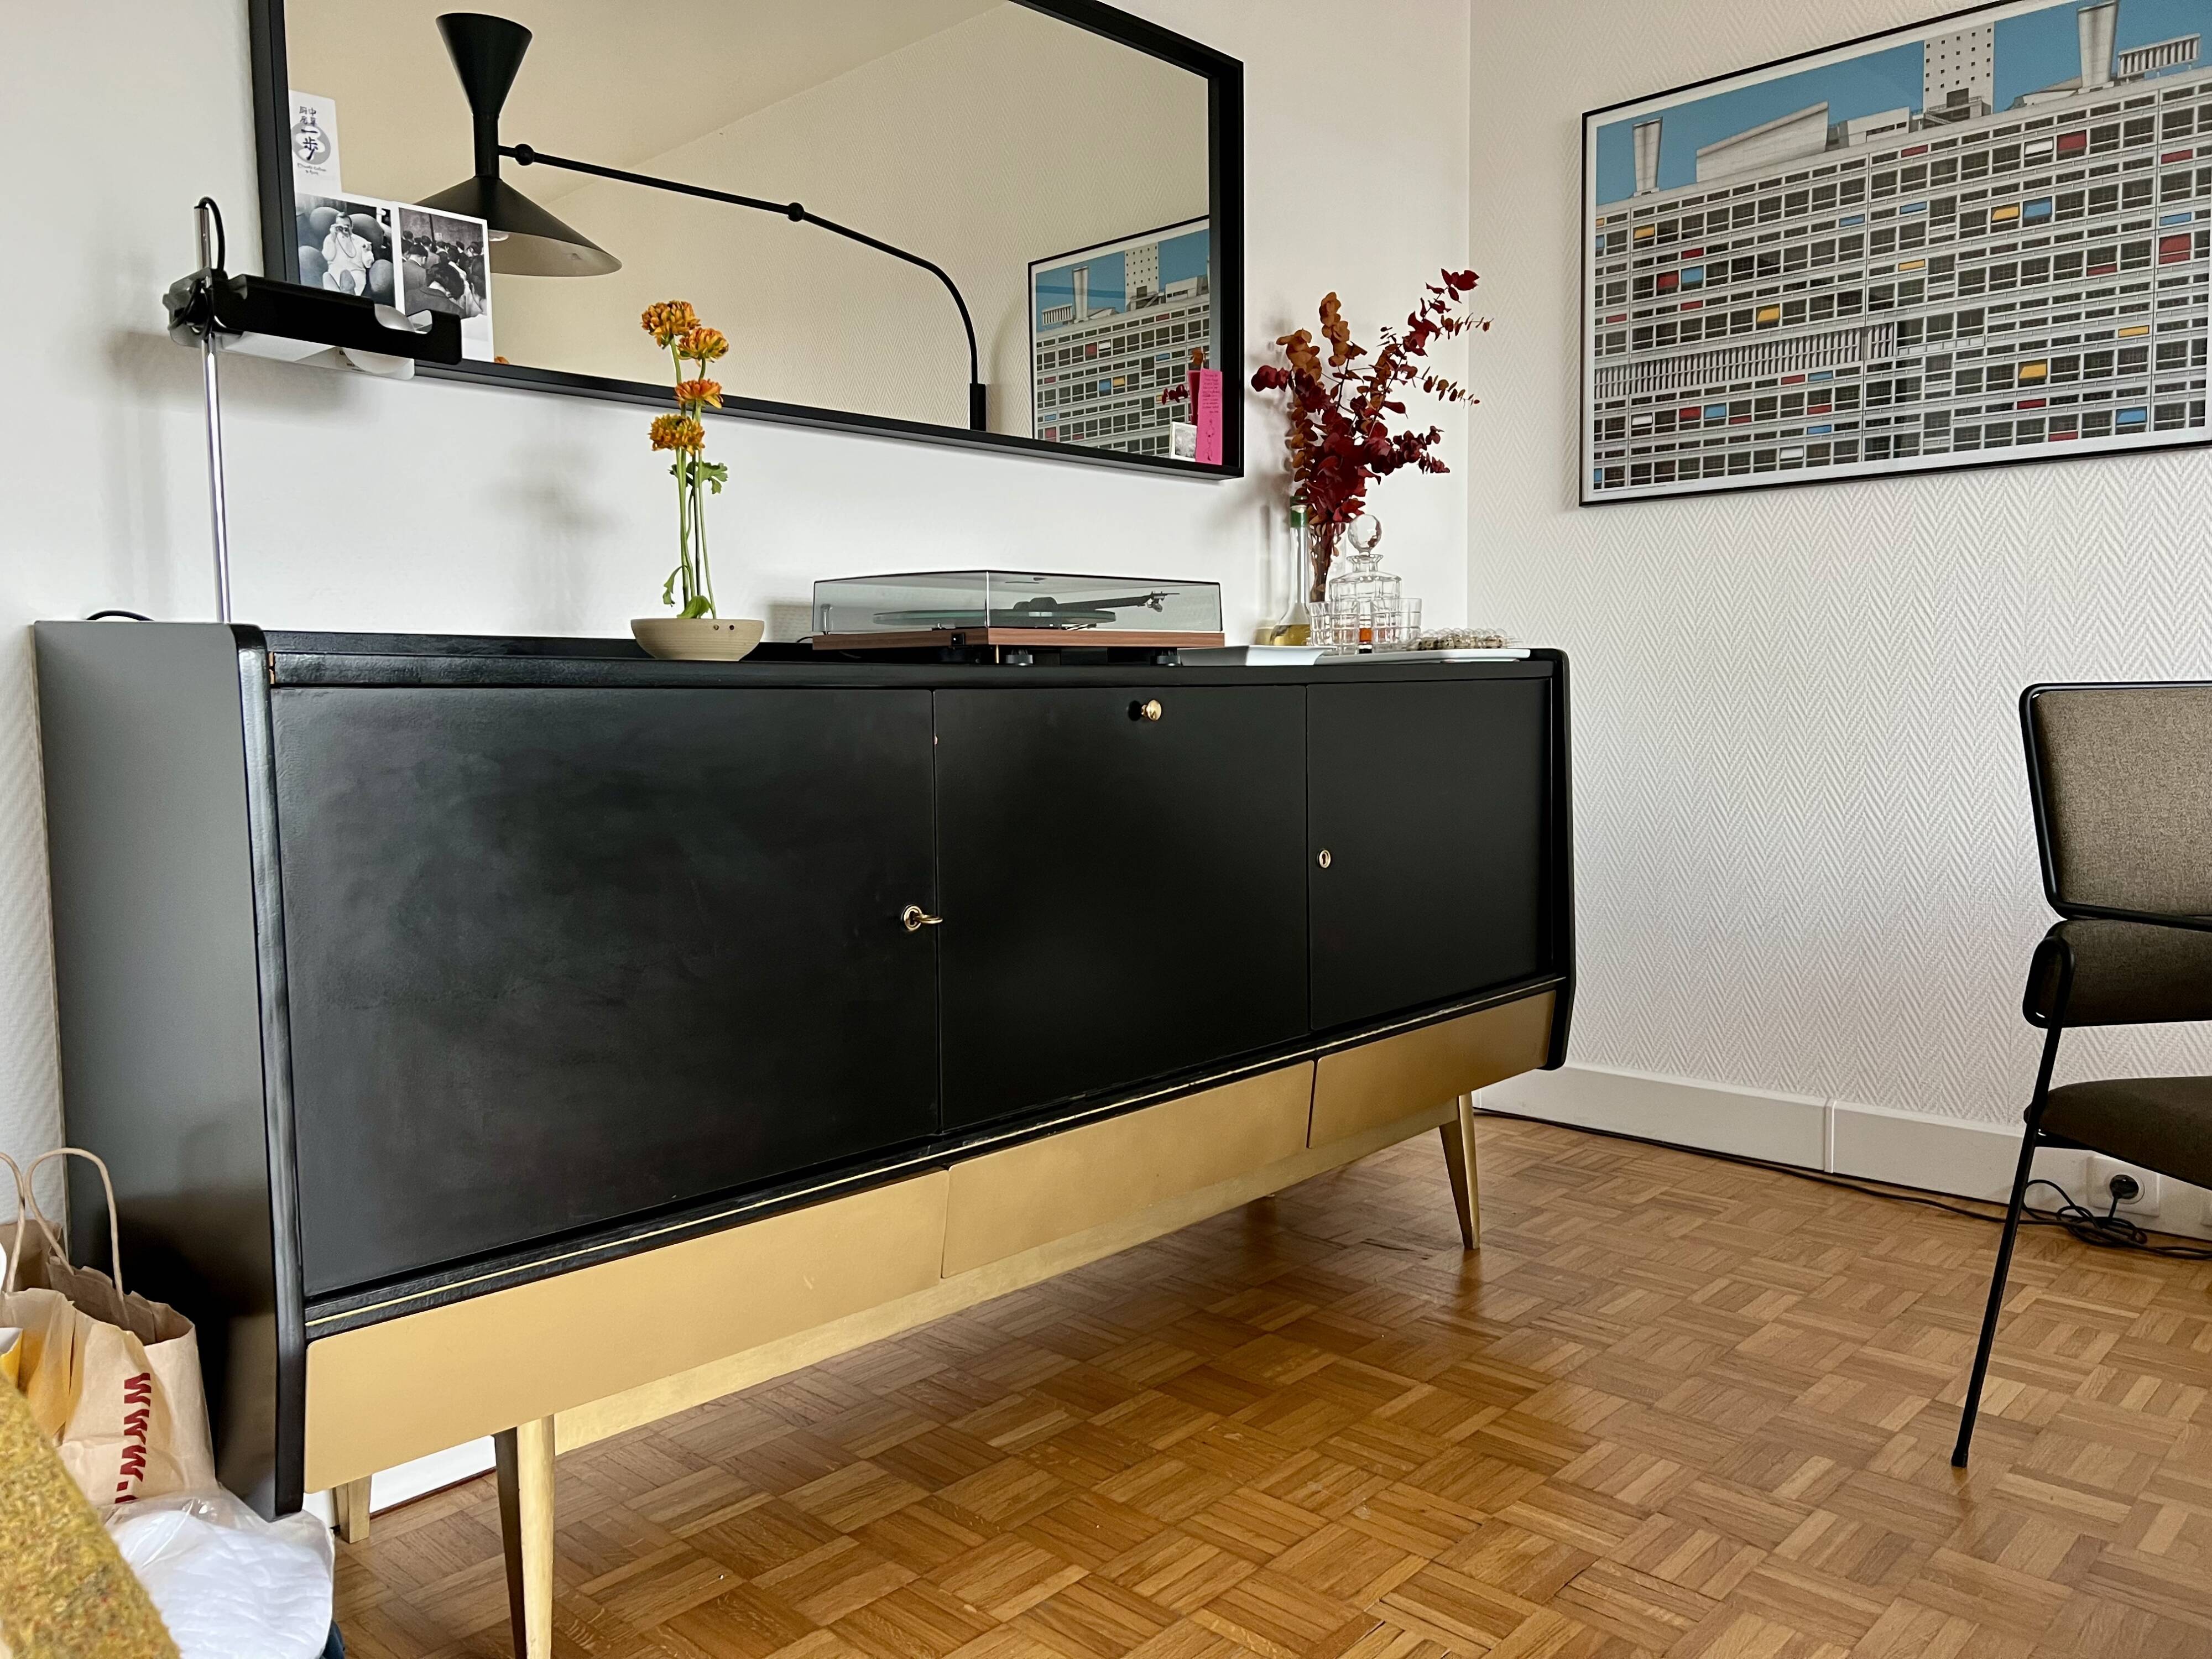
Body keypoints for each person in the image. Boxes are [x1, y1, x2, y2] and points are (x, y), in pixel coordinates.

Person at [322, 213, 374, 295]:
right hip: (335, 274)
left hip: (355, 274)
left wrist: (367, 251)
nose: (345, 229)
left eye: (347, 226)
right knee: (326, 277)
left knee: (347, 282)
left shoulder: (362, 241)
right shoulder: (330, 239)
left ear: (352, 226)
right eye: (341, 227)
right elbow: (328, 257)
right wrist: (332, 238)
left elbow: (368, 264)